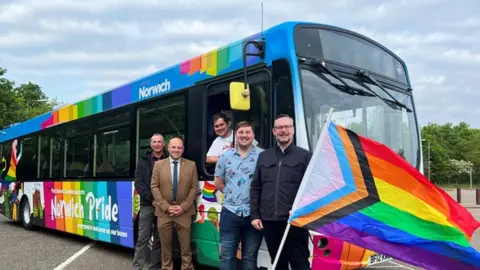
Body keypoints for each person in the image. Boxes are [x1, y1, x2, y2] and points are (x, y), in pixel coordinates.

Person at [250, 114, 313, 270]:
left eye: (287, 127)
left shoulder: (305, 156)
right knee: (278, 264)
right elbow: (256, 187)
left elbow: (312, 189)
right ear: (274, 131)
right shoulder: (264, 156)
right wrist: (255, 215)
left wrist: (302, 208)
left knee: (300, 264)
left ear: (293, 130)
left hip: (295, 221)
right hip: (270, 221)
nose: (283, 130)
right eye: (279, 127)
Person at [214, 121, 263, 270]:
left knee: (250, 257)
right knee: (227, 256)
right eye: (241, 132)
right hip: (230, 212)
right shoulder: (225, 156)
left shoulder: (263, 155)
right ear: (236, 135)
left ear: (253, 135)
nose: (244, 135)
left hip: (254, 214)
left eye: (248, 132)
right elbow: (218, 182)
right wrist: (232, 193)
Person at [151, 137, 199, 270]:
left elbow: (194, 188)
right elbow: (154, 186)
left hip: (184, 212)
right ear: (168, 148)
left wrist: (183, 207)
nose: (176, 150)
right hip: (164, 212)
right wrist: (166, 207)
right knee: (165, 247)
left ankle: (187, 267)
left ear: (183, 149)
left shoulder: (191, 165)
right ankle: (166, 268)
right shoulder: (158, 165)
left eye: (179, 147)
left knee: (186, 248)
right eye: (173, 147)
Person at [132, 133, 166, 270]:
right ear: (151, 144)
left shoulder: (169, 159)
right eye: (154, 142)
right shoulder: (143, 160)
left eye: (159, 142)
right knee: (142, 238)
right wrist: (152, 199)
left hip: (163, 205)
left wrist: (161, 201)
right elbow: (138, 183)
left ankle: (154, 267)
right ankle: (137, 267)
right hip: (147, 205)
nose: (157, 144)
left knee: (159, 239)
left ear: (164, 144)